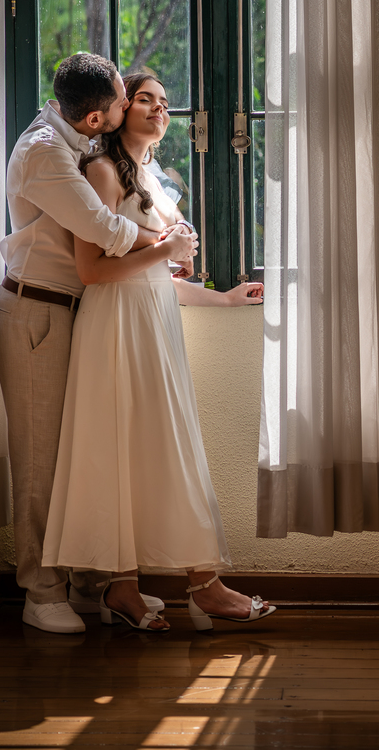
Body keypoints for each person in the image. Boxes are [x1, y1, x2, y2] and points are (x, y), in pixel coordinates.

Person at [40, 73, 274, 632]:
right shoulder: (99, 171)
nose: (158, 109)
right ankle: (197, 585)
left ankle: (128, 588)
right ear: (120, 111)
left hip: (153, 322)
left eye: (165, 103)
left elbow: (159, 278)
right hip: (115, 325)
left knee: (153, 447)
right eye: (144, 98)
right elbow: (94, 271)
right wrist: (166, 249)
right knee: (127, 445)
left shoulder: (153, 180)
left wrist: (223, 299)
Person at [0, 53, 194, 634]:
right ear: (96, 118)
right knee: (40, 460)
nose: (138, 108)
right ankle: (40, 590)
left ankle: (85, 581)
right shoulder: (46, 154)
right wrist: (167, 242)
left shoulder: (79, 141)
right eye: (125, 104)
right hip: (36, 310)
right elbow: (104, 233)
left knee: (81, 451)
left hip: (78, 311)